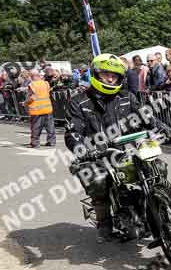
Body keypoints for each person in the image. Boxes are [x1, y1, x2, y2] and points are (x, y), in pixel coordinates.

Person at [64, 53, 163, 243]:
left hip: (128, 149)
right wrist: (83, 148)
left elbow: (146, 117)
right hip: (95, 155)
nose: (110, 78)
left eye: (115, 75)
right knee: (99, 180)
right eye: (105, 74)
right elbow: (72, 132)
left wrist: (163, 128)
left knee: (158, 167)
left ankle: (156, 212)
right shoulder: (79, 101)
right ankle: (105, 224)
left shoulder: (127, 97)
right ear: (96, 74)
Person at [23, 69, 55, 148]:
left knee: (36, 127)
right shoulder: (46, 83)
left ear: (32, 76)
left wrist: (25, 103)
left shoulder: (32, 85)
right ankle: (51, 141)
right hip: (47, 108)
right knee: (50, 126)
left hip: (37, 109)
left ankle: (35, 143)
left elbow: (32, 97)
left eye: (30, 76)